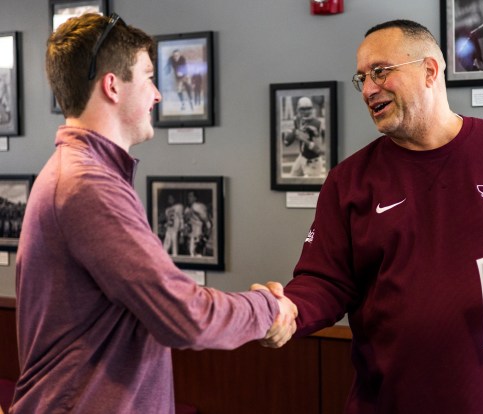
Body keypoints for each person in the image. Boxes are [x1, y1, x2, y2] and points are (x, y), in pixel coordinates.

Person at [257, 19, 483, 413]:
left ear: (430, 70)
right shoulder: (349, 181)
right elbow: (324, 280)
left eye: (380, 71)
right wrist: (288, 310)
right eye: (361, 77)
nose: (367, 89)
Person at [11, 13, 297, 414]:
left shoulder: (83, 175)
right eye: (148, 77)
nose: (157, 94)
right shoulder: (87, 185)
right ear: (112, 86)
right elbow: (185, 316)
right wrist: (268, 308)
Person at [282, 96, 325, 177]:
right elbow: (287, 143)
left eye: (308, 108)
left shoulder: (316, 124)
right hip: (302, 158)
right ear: (298, 110)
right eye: (303, 109)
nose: (306, 111)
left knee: (310, 188)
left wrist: (303, 139)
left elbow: (318, 150)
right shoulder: (297, 120)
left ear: (312, 109)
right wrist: (293, 133)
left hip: (313, 162)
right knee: (292, 182)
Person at [183, 190, 211, 257]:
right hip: (189, 237)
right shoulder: (187, 209)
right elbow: (186, 224)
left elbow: (208, 223)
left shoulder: (198, 206)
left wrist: (205, 238)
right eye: (188, 196)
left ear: (195, 198)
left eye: (190, 196)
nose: (188, 198)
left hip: (198, 237)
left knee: (198, 257)